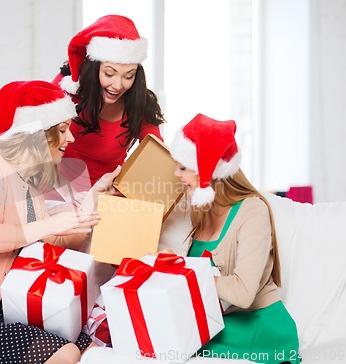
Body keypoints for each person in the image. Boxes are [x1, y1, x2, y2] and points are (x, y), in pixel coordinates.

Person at [0, 80, 120, 364]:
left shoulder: (29, 182)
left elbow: (59, 241)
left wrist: (94, 195)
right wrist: (49, 225)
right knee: (66, 353)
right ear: (37, 134)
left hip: (9, 312)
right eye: (63, 130)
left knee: (92, 348)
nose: (71, 139)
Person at [169, 113, 300, 363]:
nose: (176, 173)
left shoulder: (252, 210)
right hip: (221, 324)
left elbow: (242, 293)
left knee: (179, 347)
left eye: (183, 167)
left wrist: (184, 272)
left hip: (260, 328)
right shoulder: (200, 210)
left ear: (206, 170)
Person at [52, 14, 166, 186]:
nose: (117, 85)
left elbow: (157, 157)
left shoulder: (139, 104)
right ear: (94, 68)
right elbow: (34, 142)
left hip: (107, 198)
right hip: (57, 193)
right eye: (109, 74)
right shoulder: (66, 87)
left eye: (129, 76)